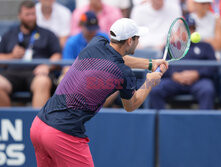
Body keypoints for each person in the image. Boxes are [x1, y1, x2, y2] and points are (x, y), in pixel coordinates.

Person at [30, 18, 168, 167]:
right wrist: (149, 83)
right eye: (137, 38)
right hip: (62, 134)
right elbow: (131, 105)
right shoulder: (123, 73)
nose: (138, 41)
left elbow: (117, 57)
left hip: (38, 126)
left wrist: (150, 64)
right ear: (130, 41)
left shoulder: (97, 42)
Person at [0, 0, 61, 108]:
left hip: (37, 73)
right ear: (20, 16)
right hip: (12, 73)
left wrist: (47, 65)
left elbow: (57, 55)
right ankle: (8, 121)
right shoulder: (9, 34)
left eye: (33, 14)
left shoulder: (48, 34)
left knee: (43, 82)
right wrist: (12, 56)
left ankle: (38, 123)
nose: (31, 18)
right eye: (27, 14)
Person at [149, 15, 217, 110]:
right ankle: (162, 123)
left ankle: (204, 124)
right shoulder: (169, 47)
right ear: (178, 31)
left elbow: (213, 67)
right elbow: (161, 66)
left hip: (199, 81)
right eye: (186, 29)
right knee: (155, 90)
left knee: (207, 89)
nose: (189, 32)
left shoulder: (206, 46)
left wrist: (197, 74)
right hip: (174, 80)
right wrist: (174, 75)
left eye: (192, 29)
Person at [60, 11, 109, 81]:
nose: (92, 31)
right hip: (77, 78)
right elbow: (66, 67)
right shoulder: (72, 42)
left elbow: (112, 62)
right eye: (89, 28)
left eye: (94, 28)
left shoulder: (104, 38)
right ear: (81, 25)